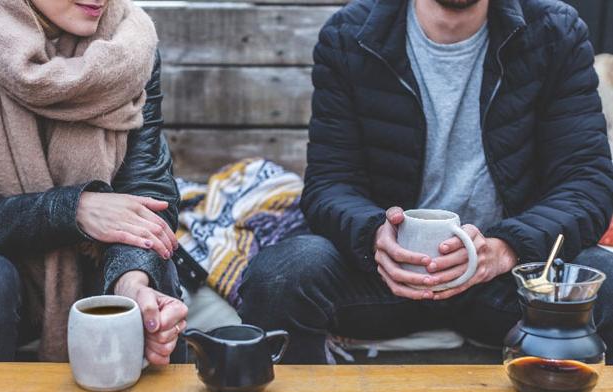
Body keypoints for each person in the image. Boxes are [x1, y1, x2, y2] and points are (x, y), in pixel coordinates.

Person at [238, 0, 613, 364]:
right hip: (387, 276)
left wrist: (505, 249)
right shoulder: (349, 34)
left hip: (508, 279)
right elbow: (329, 183)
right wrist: (373, 237)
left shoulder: (554, 31)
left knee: (606, 276)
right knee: (281, 275)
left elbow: (586, 183)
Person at [0, 0, 188, 368]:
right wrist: (73, 209)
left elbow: (146, 191)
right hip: (0, 279)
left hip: (94, 267)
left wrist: (132, 282)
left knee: (157, 279)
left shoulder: (130, 45)